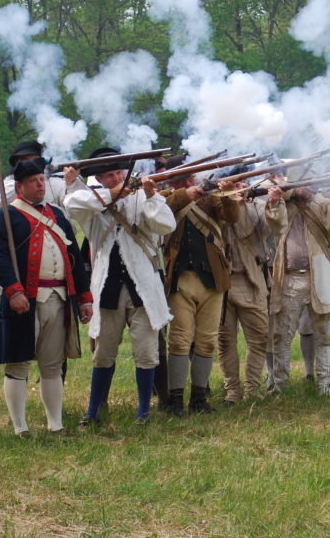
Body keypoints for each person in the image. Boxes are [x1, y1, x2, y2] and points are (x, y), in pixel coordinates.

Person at [63, 148, 175, 425]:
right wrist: (112, 195)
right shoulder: (93, 201)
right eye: (109, 175)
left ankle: (143, 412)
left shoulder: (142, 197)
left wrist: (150, 195)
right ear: (99, 178)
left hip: (143, 288)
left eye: (118, 173)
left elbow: (165, 225)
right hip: (107, 288)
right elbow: (72, 203)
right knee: (103, 354)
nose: (115, 178)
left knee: (147, 353)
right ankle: (93, 410)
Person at [0, 159, 93, 436]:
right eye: (33, 181)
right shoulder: (4, 217)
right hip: (25, 299)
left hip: (59, 297)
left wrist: (84, 297)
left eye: (42, 180)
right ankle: (20, 427)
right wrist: (13, 290)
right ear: (19, 186)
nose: (40, 184)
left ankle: (55, 425)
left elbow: (73, 260)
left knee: (52, 364)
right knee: (19, 363)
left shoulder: (58, 216)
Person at [162, 166, 241, 415]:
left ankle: (198, 398)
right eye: (183, 178)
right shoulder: (166, 196)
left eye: (190, 177)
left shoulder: (211, 198)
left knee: (207, 341)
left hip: (212, 278)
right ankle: (175, 399)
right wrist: (188, 193)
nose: (189, 181)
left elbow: (231, 217)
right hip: (180, 278)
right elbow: (168, 207)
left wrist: (228, 193)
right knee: (180, 339)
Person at [267, 184, 330, 395]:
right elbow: (275, 226)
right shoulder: (284, 204)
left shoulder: (323, 204)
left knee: (324, 335)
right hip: (289, 279)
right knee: (282, 336)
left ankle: (324, 384)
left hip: (319, 278)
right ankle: (280, 386)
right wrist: (277, 199)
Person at [0, 140, 81, 312]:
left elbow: (75, 208)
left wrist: (72, 183)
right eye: (24, 161)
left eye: (33, 160)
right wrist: (22, 180)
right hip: (20, 263)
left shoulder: (55, 183)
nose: (29, 164)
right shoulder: (8, 184)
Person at [218, 172, 280, 404]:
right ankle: (232, 390)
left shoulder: (257, 205)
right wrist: (229, 200)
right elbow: (227, 222)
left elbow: (275, 227)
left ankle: (252, 388)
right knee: (225, 342)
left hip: (251, 278)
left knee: (259, 338)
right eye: (235, 184)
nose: (241, 187)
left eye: (243, 183)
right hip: (222, 282)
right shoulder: (217, 205)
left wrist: (274, 203)